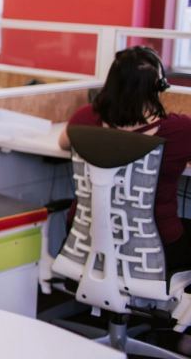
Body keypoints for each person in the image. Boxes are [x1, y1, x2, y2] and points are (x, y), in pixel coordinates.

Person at [59, 46, 191, 272]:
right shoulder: (180, 130)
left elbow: (63, 143)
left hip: (86, 238)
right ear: (160, 86)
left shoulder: (86, 117)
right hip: (156, 247)